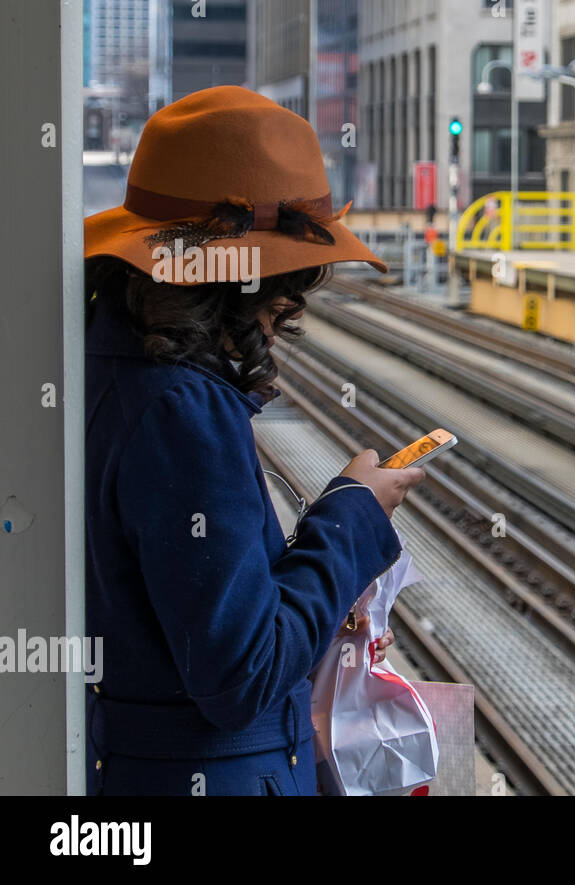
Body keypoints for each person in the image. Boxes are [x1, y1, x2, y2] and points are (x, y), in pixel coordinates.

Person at [82, 86, 426, 796]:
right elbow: (241, 674)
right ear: (238, 288)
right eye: (280, 298)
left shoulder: (111, 368)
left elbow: (195, 614)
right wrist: (352, 518)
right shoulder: (182, 409)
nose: (278, 325)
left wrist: (320, 608)